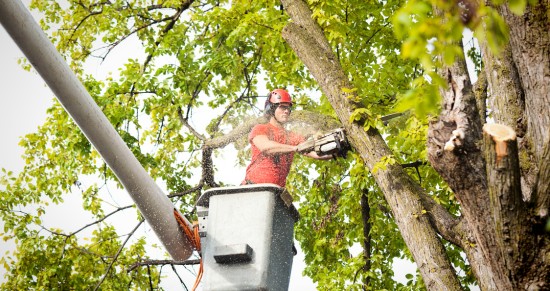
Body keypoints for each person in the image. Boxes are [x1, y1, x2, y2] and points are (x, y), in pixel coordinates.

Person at [242, 89, 331, 188]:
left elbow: (316, 153)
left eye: (288, 108)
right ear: (271, 109)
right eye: (283, 107)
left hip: (275, 192)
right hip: (253, 188)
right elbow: (266, 147)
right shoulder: (261, 128)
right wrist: (294, 148)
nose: (287, 111)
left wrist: (335, 150)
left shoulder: (292, 136)